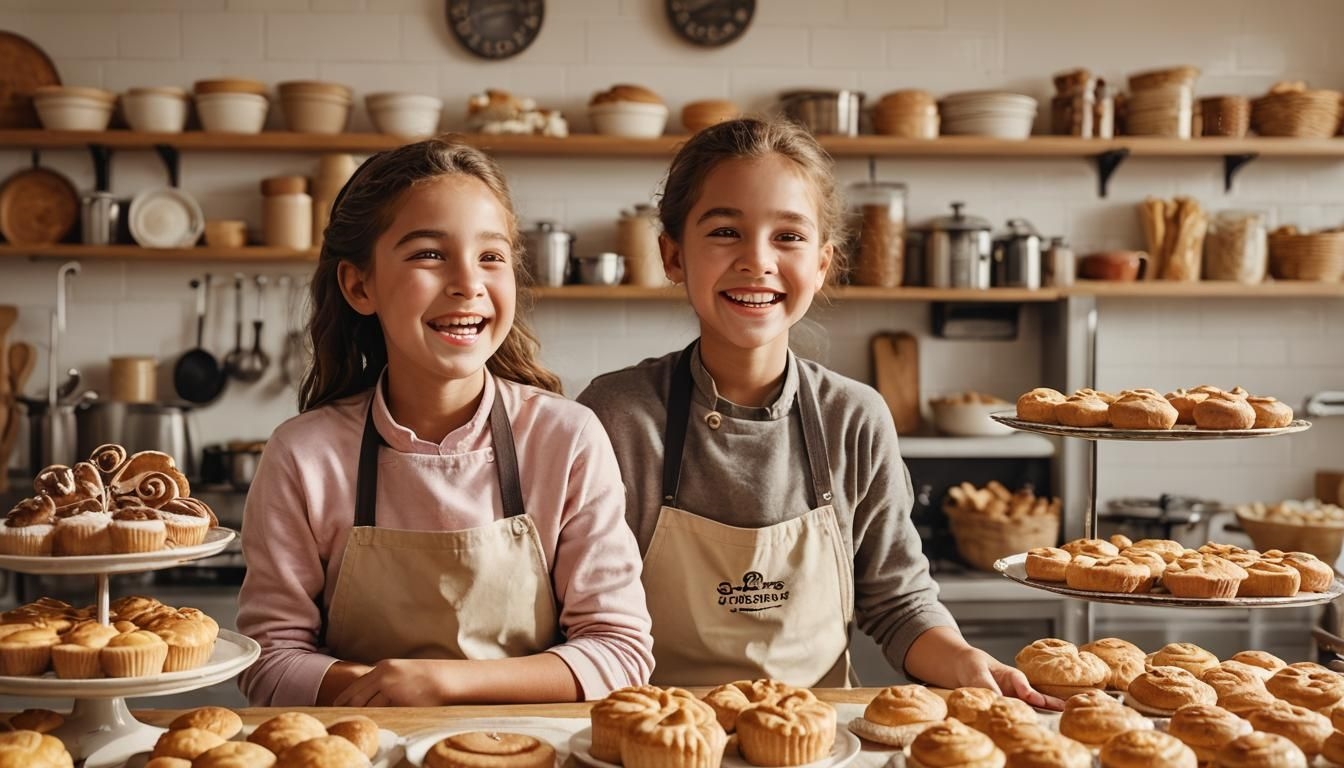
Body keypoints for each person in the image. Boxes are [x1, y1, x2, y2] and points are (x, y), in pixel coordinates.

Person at [577, 117, 1058, 708]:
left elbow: (897, 603)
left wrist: (965, 661)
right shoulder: (615, 416)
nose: (758, 261)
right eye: (725, 231)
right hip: (656, 739)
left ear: (823, 263)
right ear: (673, 255)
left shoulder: (854, 419)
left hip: (818, 743)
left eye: (788, 237)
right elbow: (583, 623)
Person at [237, 138, 653, 707]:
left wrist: (443, 684)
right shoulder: (303, 454)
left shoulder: (567, 439)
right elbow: (269, 660)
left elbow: (620, 652)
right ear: (360, 286)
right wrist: (392, 692)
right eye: (430, 254)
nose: (468, 282)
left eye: (491, 256)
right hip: (366, 748)